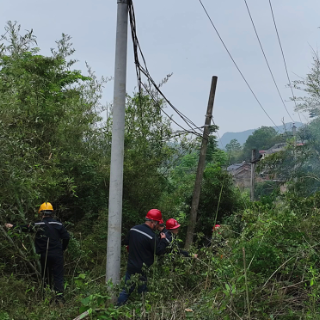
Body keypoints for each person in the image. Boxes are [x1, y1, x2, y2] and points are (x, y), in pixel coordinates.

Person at [5, 202, 70, 304]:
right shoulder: (58, 224)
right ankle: (59, 300)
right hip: (57, 254)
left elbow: (25, 227)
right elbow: (66, 237)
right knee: (58, 277)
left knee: (46, 276)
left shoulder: (38, 225)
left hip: (45, 254)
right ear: (52, 213)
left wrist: (13, 226)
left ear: (41, 213)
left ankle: (46, 299)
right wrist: (62, 249)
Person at [117, 209, 169, 306]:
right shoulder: (151, 236)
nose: (157, 227)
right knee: (143, 292)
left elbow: (125, 242)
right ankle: (142, 311)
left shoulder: (134, 229)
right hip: (142, 269)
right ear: (153, 222)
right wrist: (163, 241)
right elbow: (158, 251)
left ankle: (116, 310)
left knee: (126, 290)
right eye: (157, 224)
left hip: (131, 266)